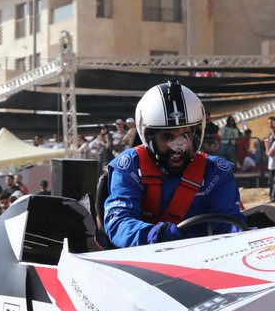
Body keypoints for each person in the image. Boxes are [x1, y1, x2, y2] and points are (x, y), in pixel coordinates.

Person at [104, 81, 243, 248]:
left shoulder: (216, 172)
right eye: (167, 137)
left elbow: (230, 222)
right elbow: (118, 223)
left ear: (197, 134)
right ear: (148, 136)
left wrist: (243, 236)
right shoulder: (130, 167)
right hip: (143, 263)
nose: (177, 146)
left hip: (204, 263)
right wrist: (155, 235)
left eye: (185, 135)